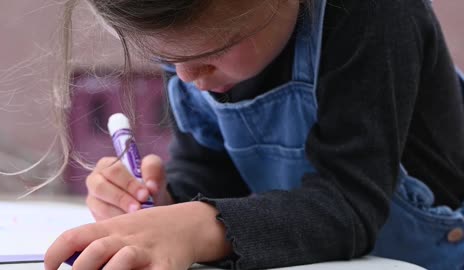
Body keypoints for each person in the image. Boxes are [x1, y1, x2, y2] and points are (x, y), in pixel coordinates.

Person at [44, 0, 464, 269]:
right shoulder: (194, 49)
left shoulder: (374, 15)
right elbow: (212, 179)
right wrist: (162, 202)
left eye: (207, 55)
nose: (188, 77)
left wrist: (192, 227)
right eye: (167, 58)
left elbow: (349, 203)